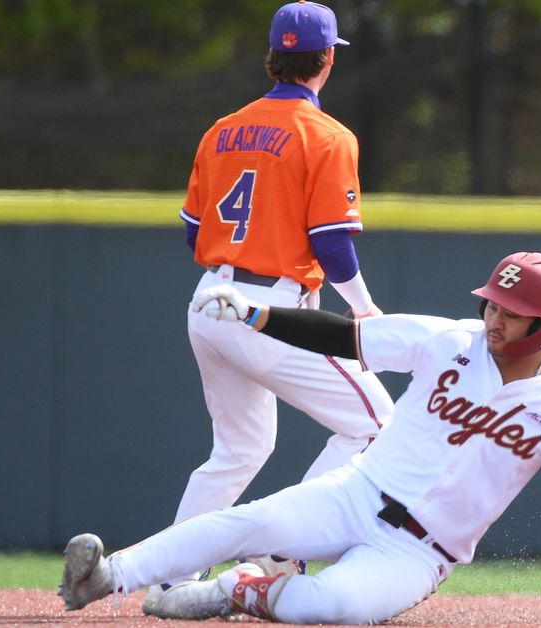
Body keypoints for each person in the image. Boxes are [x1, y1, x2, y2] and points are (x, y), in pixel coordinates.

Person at [59, 252, 541, 627]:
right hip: (357, 491)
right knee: (241, 521)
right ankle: (105, 577)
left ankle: (234, 589)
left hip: (419, 553)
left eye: (509, 311)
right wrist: (257, 315)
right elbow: (343, 336)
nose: (493, 317)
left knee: (328, 607)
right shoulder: (450, 339)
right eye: (492, 303)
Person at [155, 0, 394, 602]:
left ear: (274, 58)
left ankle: (171, 576)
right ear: (327, 62)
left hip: (210, 299)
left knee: (239, 449)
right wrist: (363, 307)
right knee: (378, 426)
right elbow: (332, 241)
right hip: (273, 309)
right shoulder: (328, 135)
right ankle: (282, 549)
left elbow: (193, 229)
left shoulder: (222, 128)